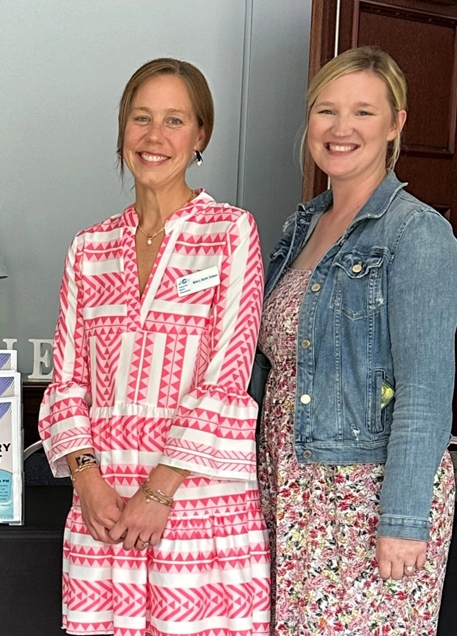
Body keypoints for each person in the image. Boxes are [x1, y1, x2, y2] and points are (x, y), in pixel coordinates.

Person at [39, 58, 270, 636]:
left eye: (174, 120)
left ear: (200, 136)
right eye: (141, 119)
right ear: (123, 131)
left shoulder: (230, 232)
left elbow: (228, 375)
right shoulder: (89, 247)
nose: (154, 136)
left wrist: (159, 492)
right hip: (106, 510)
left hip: (195, 503)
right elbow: (65, 381)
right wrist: (87, 482)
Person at [253, 46, 457, 635]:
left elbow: (425, 390)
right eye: (326, 110)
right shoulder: (301, 227)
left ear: (396, 124)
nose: (341, 129)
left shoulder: (417, 232)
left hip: (364, 497)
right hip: (289, 487)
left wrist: (403, 517)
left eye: (364, 112)